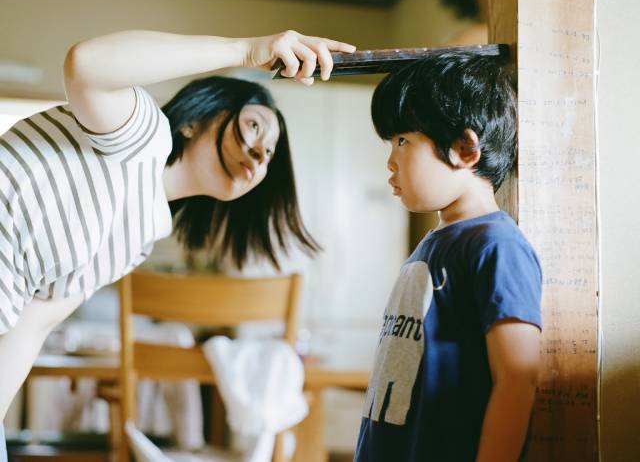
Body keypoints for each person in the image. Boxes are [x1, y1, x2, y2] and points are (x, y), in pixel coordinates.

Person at [0, 29, 356, 426]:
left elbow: (32, 326)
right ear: (196, 120)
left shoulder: (138, 240)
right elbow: (85, 64)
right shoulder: (139, 135)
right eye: (255, 127)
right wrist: (246, 49)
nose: (259, 155)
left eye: (270, 153)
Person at [354, 51, 543, 461]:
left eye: (403, 141)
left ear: (464, 148)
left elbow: (517, 378)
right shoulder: (436, 242)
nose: (390, 160)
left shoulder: (497, 246)